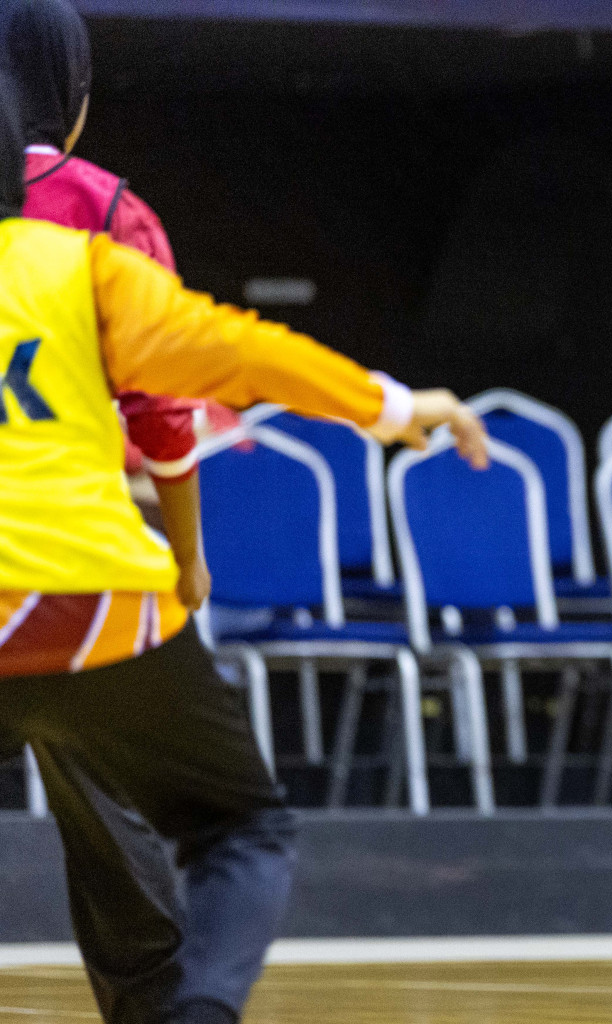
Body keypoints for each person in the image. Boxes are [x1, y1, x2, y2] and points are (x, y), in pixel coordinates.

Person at [0, 82, 486, 1024]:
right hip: (94, 604)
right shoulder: (75, 264)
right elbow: (232, 352)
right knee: (242, 825)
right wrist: (389, 407)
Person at [2, 0, 220, 612]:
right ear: (73, 92)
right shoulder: (111, 213)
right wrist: (188, 559)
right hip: (65, 559)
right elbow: (162, 413)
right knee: (197, 712)